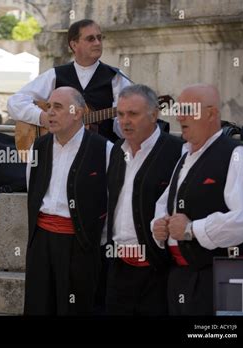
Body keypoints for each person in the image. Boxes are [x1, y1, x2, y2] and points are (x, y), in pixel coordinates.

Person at [151, 83, 243, 315]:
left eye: (188, 110)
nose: (179, 117)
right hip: (181, 277)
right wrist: (159, 225)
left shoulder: (237, 155)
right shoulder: (185, 156)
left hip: (226, 276)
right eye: (179, 110)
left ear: (211, 114)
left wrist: (192, 229)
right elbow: (165, 203)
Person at [24, 86, 112, 315]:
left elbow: (112, 201)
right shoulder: (38, 147)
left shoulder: (104, 149)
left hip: (80, 245)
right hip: (41, 241)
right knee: (38, 305)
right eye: (49, 107)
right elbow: (32, 191)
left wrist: (96, 242)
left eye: (58, 107)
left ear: (78, 112)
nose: (50, 113)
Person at [105, 85, 183, 315]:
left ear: (154, 114)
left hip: (158, 270)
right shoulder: (117, 150)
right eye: (120, 114)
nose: (125, 121)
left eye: (133, 114)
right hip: (118, 266)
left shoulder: (177, 151)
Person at [7, 19, 132, 143]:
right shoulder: (55, 75)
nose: (97, 43)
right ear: (74, 45)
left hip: (102, 156)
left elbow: (122, 129)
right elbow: (15, 102)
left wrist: (126, 120)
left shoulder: (116, 78)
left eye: (99, 38)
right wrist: (43, 117)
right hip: (57, 155)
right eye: (91, 39)